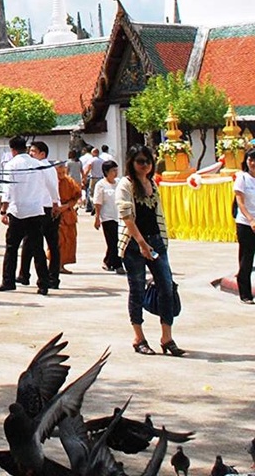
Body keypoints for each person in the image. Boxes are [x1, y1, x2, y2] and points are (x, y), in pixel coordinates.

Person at [116, 144, 184, 356]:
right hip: (134, 244)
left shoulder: (152, 184)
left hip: (156, 241)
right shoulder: (125, 185)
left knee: (166, 287)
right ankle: (139, 337)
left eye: (148, 161)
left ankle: (167, 337)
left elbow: (157, 215)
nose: (145, 165)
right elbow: (127, 217)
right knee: (136, 289)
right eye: (140, 161)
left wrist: (158, 242)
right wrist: (141, 244)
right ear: (131, 163)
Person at [0, 135, 51, 295]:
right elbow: (47, 185)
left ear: (12, 150)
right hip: (35, 210)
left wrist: (4, 209)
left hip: (18, 211)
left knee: (12, 248)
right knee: (38, 248)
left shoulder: (11, 165)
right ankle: (43, 283)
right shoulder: (37, 164)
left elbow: (7, 189)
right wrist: (53, 202)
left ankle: (8, 281)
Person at [17, 141, 60, 288]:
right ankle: (45, 277)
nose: (31, 154)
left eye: (34, 151)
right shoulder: (45, 167)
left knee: (36, 243)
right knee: (38, 243)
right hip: (44, 208)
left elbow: (52, 187)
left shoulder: (42, 167)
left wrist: (55, 203)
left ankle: (41, 276)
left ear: (43, 154)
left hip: (43, 209)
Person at [232, 148, 255, 305]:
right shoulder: (242, 178)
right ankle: (245, 294)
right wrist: (251, 219)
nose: (252, 163)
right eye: (250, 159)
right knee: (247, 258)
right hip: (246, 224)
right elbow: (240, 201)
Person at [93, 159, 124, 273]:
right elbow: (97, 202)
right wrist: (97, 218)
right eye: (113, 171)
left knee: (118, 241)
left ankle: (108, 261)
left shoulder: (119, 182)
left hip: (119, 216)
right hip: (107, 217)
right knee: (113, 241)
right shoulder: (101, 185)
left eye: (116, 170)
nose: (115, 173)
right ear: (106, 172)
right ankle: (118, 265)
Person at [53, 160, 81, 273]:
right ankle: (55, 264)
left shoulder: (69, 181)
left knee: (69, 240)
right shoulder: (51, 181)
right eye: (58, 170)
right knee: (57, 241)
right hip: (55, 214)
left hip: (68, 214)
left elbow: (76, 196)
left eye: (62, 169)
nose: (61, 173)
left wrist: (67, 206)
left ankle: (62, 264)